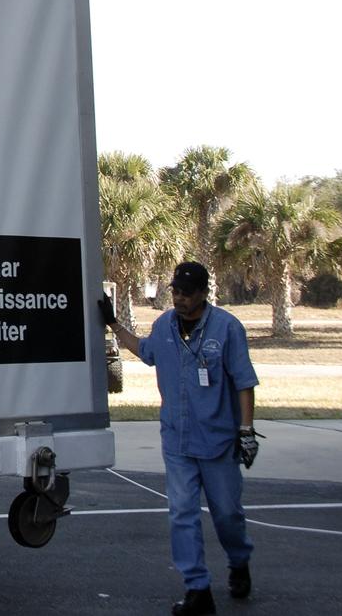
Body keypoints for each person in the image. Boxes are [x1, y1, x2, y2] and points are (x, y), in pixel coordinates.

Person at [101, 261, 260, 615]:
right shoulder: (164, 327)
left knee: (227, 514)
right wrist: (112, 324)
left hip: (218, 441)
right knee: (182, 513)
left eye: (188, 293)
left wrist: (246, 432)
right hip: (178, 440)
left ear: (204, 293)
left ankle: (238, 560)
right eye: (176, 291)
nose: (180, 299)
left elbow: (244, 382)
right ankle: (197, 588)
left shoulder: (227, 328)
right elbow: (144, 351)